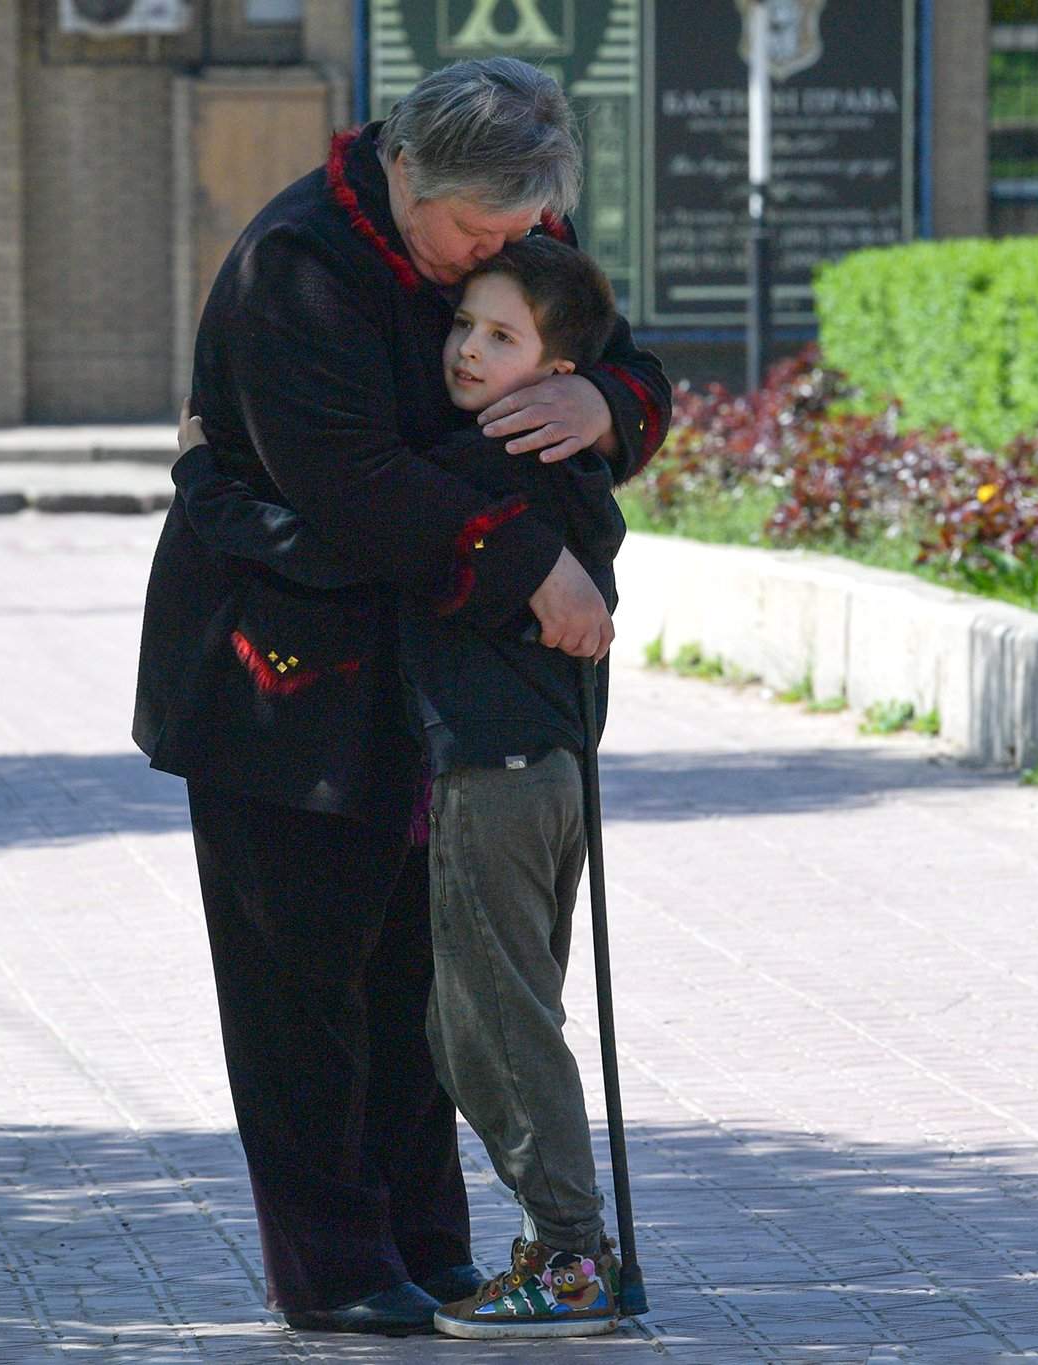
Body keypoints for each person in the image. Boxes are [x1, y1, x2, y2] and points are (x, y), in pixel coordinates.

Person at [131, 58, 669, 1337]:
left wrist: (603, 402)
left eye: (520, 230)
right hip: (285, 680)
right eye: (475, 232)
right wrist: (527, 555)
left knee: (418, 979)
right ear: (404, 167)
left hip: (447, 690)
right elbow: (356, 485)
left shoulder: (514, 223)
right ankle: (333, 1266)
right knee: (300, 985)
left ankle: (430, 1247)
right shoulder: (295, 266)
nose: (496, 252)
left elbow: (621, 360)